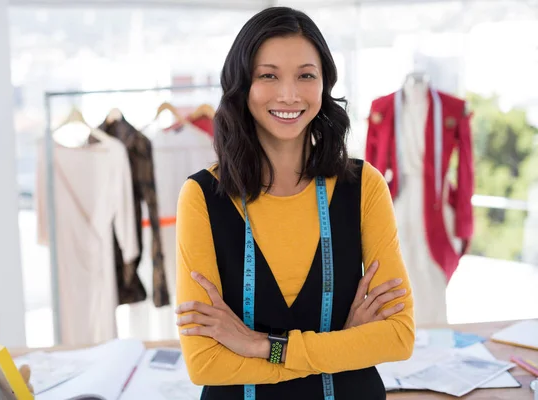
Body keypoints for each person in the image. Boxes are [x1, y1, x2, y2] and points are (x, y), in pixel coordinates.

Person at [175, 7, 414, 400]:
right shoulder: (202, 196)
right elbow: (206, 363)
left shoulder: (363, 186)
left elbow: (398, 337)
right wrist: (346, 345)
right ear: (242, 85)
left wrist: (258, 345)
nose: (289, 94)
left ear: (324, 84)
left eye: (306, 75)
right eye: (268, 75)